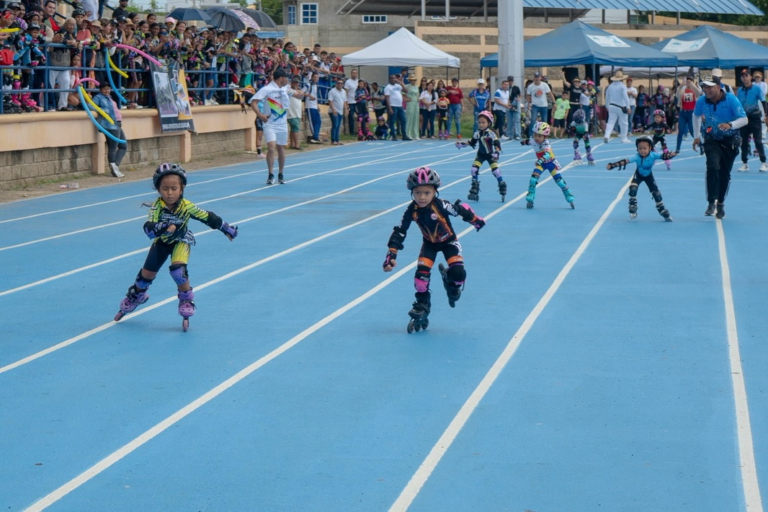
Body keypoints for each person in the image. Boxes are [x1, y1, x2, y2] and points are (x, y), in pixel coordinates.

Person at [114, 163, 238, 327]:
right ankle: (137, 295)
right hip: (162, 243)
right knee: (145, 277)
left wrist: (226, 228)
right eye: (165, 189)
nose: (170, 193)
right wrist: (163, 227)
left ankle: (186, 299)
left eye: (174, 188)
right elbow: (149, 228)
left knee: (178, 271)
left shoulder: (186, 206)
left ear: (182, 188)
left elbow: (207, 217)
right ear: (158, 189)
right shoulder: (157, 207)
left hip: (181, 241)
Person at [382, 167, 485, 333]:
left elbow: (460, 210)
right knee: (420, 278)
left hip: (449, 242)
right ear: (412, 193)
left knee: (459, 274)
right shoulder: (411, 210)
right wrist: (391, 253)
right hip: (429, 245)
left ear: (435, 192)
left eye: (427, 193)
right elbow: (400, 231)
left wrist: (475, 220)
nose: (422, 197)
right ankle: (422, 304)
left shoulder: (441, 205)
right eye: (417, 193)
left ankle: (451, 283)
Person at [693, 74, 748, 220]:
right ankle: (711, 201)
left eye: (709, 87)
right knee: (712, 166)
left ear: (718, 87)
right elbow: (696, 115)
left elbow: (744, 119)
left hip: (730, 140)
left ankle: (721, 203)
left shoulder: (731, 99)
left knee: (724, 173)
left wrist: (730, 125)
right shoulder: (701, 100)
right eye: (704, 87)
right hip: (711, 139)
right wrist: (696, 136)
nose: (706, 90)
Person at [605, 135, 676, 221]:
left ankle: (661, 208)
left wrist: (670, 155)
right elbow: (625, 161)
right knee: (633, 188)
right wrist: (613, 165)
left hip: (649, 176)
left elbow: (663, 156)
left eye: (644, 148)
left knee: (656, 193)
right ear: (637, 149)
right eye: (640, 148)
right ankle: (632, 205)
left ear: (650, 148)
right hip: (638, 175)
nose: (642, 150)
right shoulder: (637, 157)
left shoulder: (653, 155)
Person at [249, 67, 293, 185]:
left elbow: (297, 94)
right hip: (270, 123)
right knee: (271, 147)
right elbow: (253, 102)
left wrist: (303, 94)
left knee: (281, 149)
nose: (287, 80)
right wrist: (260, 115)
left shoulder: (285, 89)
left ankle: (281, 173)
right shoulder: (267, 89)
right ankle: (270, 174)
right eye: (285, 78)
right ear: (281, 78)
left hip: (282, 124)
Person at [455, 110, 507, 203]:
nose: (481, 124)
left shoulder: (491, 133)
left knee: (496, 171)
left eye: (483, 122)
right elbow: (471, 142)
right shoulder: (477, 133)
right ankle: (474, 186)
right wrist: (461, 144)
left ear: (489, 123)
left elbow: (497, 143)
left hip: (490, 155)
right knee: (473, 170)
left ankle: (502, 184)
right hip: (481, 154)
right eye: (479, 122)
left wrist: (496, 152)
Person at [522, 121, 574, 209]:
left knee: (559, 181)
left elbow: (547, 154)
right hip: (541, 164)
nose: (536, 138)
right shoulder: (533, 140)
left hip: (550, 163)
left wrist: (540, 160)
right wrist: (523, 142)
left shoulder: (546, 143)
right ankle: (531, 195)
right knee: (533, 179)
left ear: (545, 136)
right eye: (535, 135)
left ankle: (567, 193)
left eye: (539, 136)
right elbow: (528, 141)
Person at [92, 83, 127, 178]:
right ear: (100, 89)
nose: (106, 91)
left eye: (108, 89)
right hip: (109, 125)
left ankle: (115, 165)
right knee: (113, 147)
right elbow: (91, 105)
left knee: (123, 146)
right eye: (104, 89)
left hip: (117, 124)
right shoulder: (98, 97)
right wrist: (102, 110)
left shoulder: (110, 97)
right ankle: (113, 167)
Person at [735, 69, 767, 172]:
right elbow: (737, 105)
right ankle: (744, 164)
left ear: (750, 77)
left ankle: (763, 163)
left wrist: (766, 115)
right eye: (742, 76)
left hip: (754, 118)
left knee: (757, 141)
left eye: (746, 75)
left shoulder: (756, 89)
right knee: (744, 142)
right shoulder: (739, 90)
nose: (744, 78)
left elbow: (763, 102)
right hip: (743, 119)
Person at [674, 75, 701, 154]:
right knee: (681, 131)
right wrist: (680, 86)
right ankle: (677, 149)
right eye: (687, 80)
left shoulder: (695, 89)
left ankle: (701, 145)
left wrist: (692, 85)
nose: (688, 82)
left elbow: (699, 93)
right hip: (683, 112)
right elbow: (677, 95)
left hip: (691, 113)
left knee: (693, 132)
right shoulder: (683, 89)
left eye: (690, 80)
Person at [603, 70, 631, 144]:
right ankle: (624, 138)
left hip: (612, 105)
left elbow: (607, 97)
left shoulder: (610, 86)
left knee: (610, 122)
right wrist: (628, 107)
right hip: (621, 106)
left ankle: (607, 135)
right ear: (622, 78)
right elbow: (625, 97)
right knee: (624, 123)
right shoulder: (622, 86)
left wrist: (607, 106)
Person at [525, 71, 554, 138]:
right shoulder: (530, 86)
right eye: (535, 77)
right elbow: (528, 95)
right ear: (534, 78)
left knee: (544, 121)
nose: (537, 78)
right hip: (535, 105)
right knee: (533, 120)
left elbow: (550, 94)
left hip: (544, 105)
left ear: (540, 77)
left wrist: (554, 102)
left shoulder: (544, 85)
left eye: (538, 77)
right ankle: (531, 135)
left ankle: (544, 135)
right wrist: (528, 103)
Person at [384, 74, 408, 141]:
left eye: (394, 78)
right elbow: (387, 98)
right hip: (393, 106)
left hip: (400, 106)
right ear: (389, 79)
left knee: (403, 120)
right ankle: (393, 135)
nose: (394, 79)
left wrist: (401, 83)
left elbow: (406, 91)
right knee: (392, 121)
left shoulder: (398, 86)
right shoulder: (388, 87)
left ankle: (404, 135)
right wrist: (389, 108)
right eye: (392, 78)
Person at [302, 72, 321, 144]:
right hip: (309, 106)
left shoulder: (316, 86)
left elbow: (316, 97)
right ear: (312, 77)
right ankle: (315, 137)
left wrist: (317, 106)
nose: (316, 78)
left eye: (317, 77)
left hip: (315, 106)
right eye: (314, 77)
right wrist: (309, 96)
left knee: (318, 121)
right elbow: (301, 92)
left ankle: (315, 136)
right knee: (312, 122)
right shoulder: (308, 85)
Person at [327, 77, 347, 145]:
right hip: (334, 111)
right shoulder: (332, 91)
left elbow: (344, 101)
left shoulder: (343, 92)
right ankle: (333, 140)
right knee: (335, 125)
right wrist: (333, 109)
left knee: (338, 126)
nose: (340, 84)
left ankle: (337, 139)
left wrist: (346, 109)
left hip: (340, 111)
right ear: (336, 83)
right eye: (338, 83)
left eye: (341, 83)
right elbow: (330, 101)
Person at [287, 77, 303, 150]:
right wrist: (299, 91)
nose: (296, 84)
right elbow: (300, 94)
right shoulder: (289, 90)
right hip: (291, 112)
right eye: (294, 83)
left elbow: (301, 98)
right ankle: (297, 144)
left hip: (297, 112)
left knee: (293, 129)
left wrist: (301, 113)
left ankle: (292, 144)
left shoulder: (298, 91)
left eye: (297, 83)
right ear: (292, 83)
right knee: (295, 128)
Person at [404, 76, 420, 141]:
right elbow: (402, 93)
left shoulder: (416, 86)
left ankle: (415, 135)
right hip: (410, 103)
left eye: (414, 80)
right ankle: (408, 134)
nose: (413, 81)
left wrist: (418, 99)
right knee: (409, 119)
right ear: (409, 80)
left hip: (416, 104)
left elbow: (417, 94)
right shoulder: (406, 86)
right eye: (412, 80)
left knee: (415, 119)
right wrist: (405, 99)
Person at [343, 68, 359, 135]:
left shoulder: (358, 81)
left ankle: (360, 131)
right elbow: (345, 92)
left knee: (360, 116)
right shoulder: (348, 82)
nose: (354, 74)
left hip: (357, 102)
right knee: (351, 117)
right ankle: (351, 132)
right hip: (350, 102)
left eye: (355, 73)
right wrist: (346, 102)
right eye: (353, 73)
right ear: (351, 73)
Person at [506, 75, 522, 140]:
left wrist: (518, 98)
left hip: (514, 103)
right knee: (509, 120)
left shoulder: (516, 88)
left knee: (516, 120)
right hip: (508, 103)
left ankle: (517, 134)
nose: (510, 82)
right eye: (509, 81)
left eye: (511, 81)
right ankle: (509, 135)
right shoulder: (506, 88)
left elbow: (520, 94)